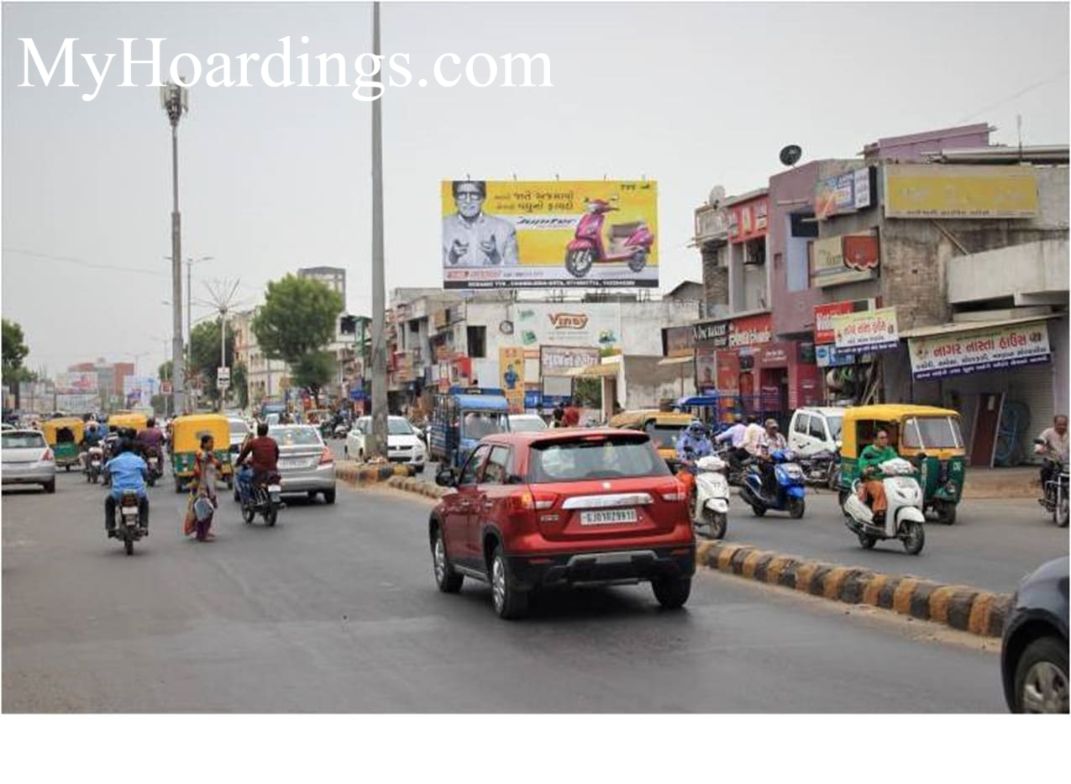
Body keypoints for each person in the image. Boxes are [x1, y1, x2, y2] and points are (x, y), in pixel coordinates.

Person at [442, 180, 518, 267]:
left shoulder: (506, 229)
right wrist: (452, 257)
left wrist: (495, 257)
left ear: (483, 198)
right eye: (462, 195)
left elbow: (515, 271)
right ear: (455, 198)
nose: (468, 201)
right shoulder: (441, 226)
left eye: (474, 195)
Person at [103, 439, 149, 538]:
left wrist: (109, 478)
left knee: (109, 502)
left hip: (119, 493)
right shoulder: (139, 460)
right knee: (144, 503)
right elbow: (146, 474)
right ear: (133, 449)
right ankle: (144, 525)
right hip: (138, 492)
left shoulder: (114, 461)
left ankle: (110, 527)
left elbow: (106, 473)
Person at [185, 434, 223, 542]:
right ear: (204, 443)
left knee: (208, 508)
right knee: (203, 509)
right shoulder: (201, 454)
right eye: (210, 442)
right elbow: (201, 471)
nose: (212, 444)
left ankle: (204, 531)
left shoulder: (210, 455)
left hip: (210, 484)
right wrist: (202, 486)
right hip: (202, 484)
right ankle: (202, 534)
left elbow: (216, 465)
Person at [857, 429, 898, 519]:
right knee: (880, 487)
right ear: (875, 440)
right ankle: (879, 512)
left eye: (886, 438)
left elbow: (897, 461)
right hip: (872, 479)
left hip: (889, 479)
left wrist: (910, 466)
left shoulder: (889, 451)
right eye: (882, 438)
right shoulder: (868, 451)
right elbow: (863, 464)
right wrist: (867, 469)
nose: (885, 440)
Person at [236, 422, 280, 501]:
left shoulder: (253, 442)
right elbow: (277, 455)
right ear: (267, 431)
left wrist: (237, 463)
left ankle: (249, 499)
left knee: (241, 477)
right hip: (273, 471)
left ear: (257, 431)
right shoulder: (273, 442)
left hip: (259, 472)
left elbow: (243, 455)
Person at [1035, 414, 1069, 489]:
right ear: (1054, 424)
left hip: (1067, 462)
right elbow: (1041, 441)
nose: (1062, 427)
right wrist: (1039, 449)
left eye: (1064, 424)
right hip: (1052, 460)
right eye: (1059, 424)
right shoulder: (1048, 432)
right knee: (1045, 469)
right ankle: (1046, 490)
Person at [756, 419, 788, 497]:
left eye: (775, 428)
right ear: (767, 428)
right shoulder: (763, 437)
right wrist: (765, 457)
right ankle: (765, 490)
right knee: (771, 470)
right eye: (772, 428)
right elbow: (759, 451)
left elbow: (786, 448)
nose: (774, 430)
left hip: (780, 461)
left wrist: (790, 454)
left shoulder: (780, 437)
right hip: (766, 461)